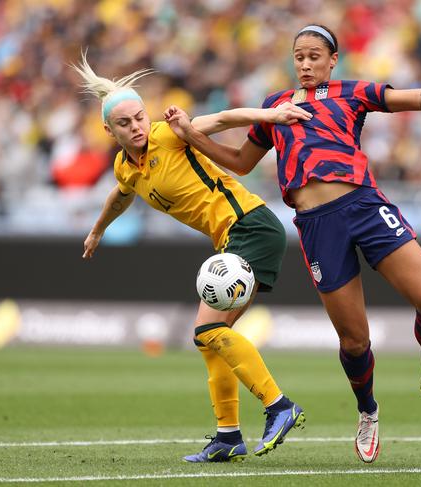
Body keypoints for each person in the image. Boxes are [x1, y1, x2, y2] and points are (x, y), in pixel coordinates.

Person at [164, 24, 421, 463]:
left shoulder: (353, 92)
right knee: (355, 341)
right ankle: (368, 412)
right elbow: (241, 163)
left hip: (363, 204)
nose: (305, 63)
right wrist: (192, 138)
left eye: (315, 56)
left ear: (333, 58)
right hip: (318, 226)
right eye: (299, 56)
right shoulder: (274, 106)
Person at [73, 53, 312, 463]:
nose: (137, 128)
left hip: (250, 227)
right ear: (108, 129)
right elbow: (119, 196)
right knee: (209, 340)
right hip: (233, 238)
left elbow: (223, 118)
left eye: (139, 118)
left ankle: (278, 405)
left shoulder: (170, 133)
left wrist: (273, 115)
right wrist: (97, 230)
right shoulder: (125, 167)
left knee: (206, 332)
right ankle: (228, 435)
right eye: (125, 123)